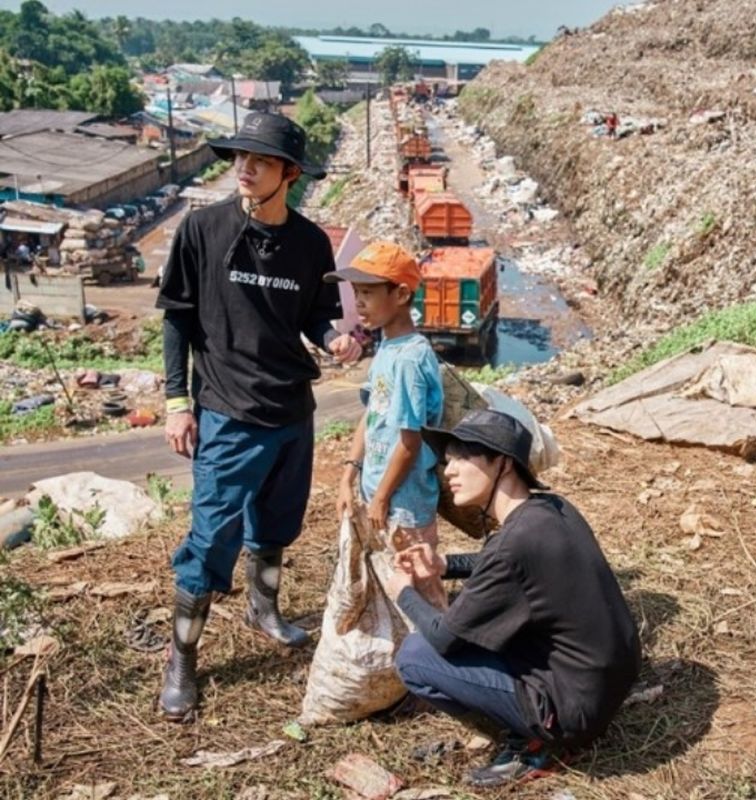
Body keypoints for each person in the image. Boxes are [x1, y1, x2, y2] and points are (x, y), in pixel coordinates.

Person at [155, 111, 363, 722]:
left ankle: (263, 608)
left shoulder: (310, 242)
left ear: (290, 174)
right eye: (239, 158)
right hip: (225, 411)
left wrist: (335, 340)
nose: (244, 168)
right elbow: (176, 318)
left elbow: (317, 315)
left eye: (261, 160)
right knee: (210, 537)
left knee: (276, 522)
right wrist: (175, 403)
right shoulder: (202, 229)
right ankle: (183, 659)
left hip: (291, 409)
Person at [389, 410, 642, 788]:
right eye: (448, 459)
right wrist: (444, 564)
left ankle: (533, 742)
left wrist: (403, 594)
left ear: (503, 463)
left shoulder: (513, 544)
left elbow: (443, 638)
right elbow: (502, 563)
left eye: (463, 457)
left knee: (414, 657)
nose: (449, 470)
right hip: (604, 684)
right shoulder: (550, 510)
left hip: (573, 710)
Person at [328, 241, 444, 547]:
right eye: (356, 293)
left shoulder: (409, 358)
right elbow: (371, 416)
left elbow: (410, 441)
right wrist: (348, 478)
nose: (359, 303)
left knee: (415, 587)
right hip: (381, 495)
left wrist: (381, 497)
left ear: (402, 294)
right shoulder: (387, 348)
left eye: (368, 292)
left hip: (405, 507)